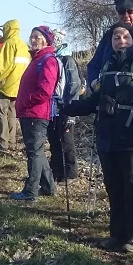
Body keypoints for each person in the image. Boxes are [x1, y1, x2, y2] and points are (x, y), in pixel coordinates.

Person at [62, 23, 133, 250]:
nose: (121, 40)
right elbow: (95, 99)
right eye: (117, 37)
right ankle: (117, 234)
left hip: (132, 133)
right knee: (113, 186)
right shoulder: (108, 65)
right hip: (108, 134)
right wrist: (69, 108)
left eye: (126, 36)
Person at [11, 26, 62, 201]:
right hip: (30, 112)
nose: (33, 40)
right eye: (32, 37)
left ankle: (31, 191)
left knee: (34, 153)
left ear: (47, 40)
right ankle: (48, 187)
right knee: (37, 152)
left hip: (36, 113)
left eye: (37, 37)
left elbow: (45, 91)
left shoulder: (47, 60)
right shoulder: (37, 59)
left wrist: (26, 102)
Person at [0, 20, 30, 153]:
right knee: (12, 113)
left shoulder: (8, 44)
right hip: (19, 85)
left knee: (0, 113)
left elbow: (2, 68)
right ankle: (12, 141)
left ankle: (3, 142)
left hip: (5, 85)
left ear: (8, 29)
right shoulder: (23, 46)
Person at [47, 28, 82, 183]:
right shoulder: (53, 59)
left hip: (65, 107)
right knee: (54, 140)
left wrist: (71, 112)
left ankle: (70, 173)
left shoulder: (67, 60)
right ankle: (56, 171)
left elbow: (74, 86)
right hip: (52, 107)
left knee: (66, 140)